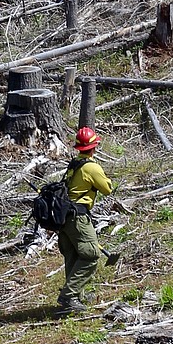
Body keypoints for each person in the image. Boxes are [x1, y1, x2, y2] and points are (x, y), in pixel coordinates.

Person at [56, 126, 112, 316]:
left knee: (72, 255)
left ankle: (75, 296)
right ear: (94, 147)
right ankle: (68, 296)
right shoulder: (91, 167)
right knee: (91, 255)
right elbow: (107, 189)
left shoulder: (74, 164)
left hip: (65, 218)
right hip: (78, 217)